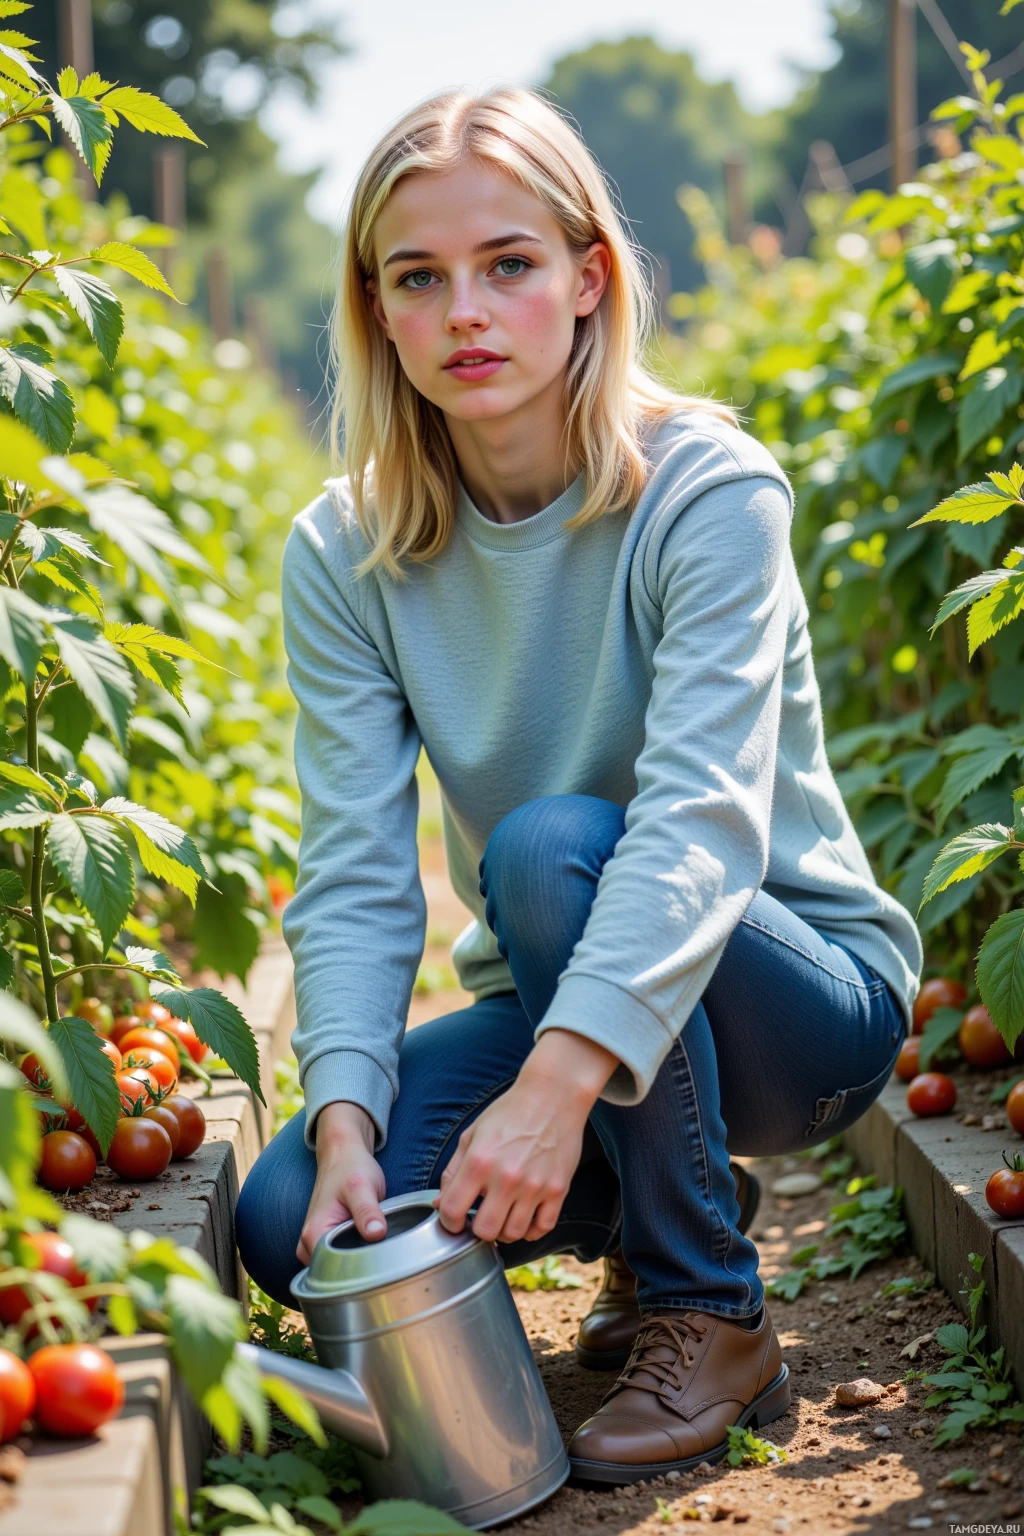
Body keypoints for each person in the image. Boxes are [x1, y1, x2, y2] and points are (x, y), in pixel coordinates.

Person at [235, 86, 922, 1482]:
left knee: (553, 849)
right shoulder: (350, 548)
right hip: (570, 994)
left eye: (509, 264)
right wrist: (352, 1110)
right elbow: (359, 865)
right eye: (417, 279)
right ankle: (656, 1189)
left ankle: (706, 1305)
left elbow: (701, 827)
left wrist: (552, 1089)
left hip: (799, 999)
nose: (465, 313)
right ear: (377, 311)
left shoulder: (706, 490)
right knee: (290, 1212)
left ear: (588, 277)